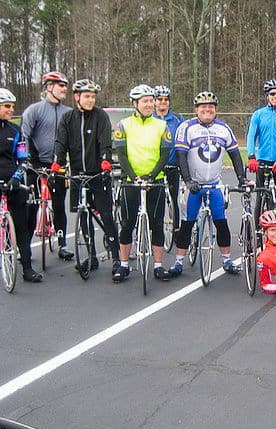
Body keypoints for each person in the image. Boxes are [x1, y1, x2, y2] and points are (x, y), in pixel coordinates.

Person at [169, 91, 246, 276]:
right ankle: (178, 262)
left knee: (221, 222)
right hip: (194, 185)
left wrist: (242, 178)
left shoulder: (223, 128)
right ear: (196, 109)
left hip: (214, 183)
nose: (207, 110)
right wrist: (187, 180)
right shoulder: (186, 127)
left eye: (211, 107)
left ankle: (226, 261)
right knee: (187, 223)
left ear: (215, 110)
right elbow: (180, 155)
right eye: (203, 107)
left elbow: (235, 154)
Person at [52, 79, 120, 271]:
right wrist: (57, 163)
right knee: (84, 216)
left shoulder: (100, 116)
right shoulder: (67, 119)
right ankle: (91, 257)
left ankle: (116, 257)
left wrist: (106, 162)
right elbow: (60, 143)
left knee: (106, 215)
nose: (90, 100)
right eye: (87, 96)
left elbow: (105, 142)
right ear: (77, 97)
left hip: (98, 174)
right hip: (77, 175)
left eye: (93, 97)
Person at [111, 84, 173, 283]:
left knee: (157, 224)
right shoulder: (123, 125)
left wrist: (153, 175)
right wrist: (134, 176)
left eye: (151, 100)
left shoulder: (162, 125)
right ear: (135, 103)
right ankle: (123, 265)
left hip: (155, 181)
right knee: (127, 224)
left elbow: (165, 154)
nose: (149, 104)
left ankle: (158, 265)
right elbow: (121, 154)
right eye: (145, 101)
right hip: (131, 181)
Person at [21, 71, 74, 261]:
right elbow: (25, 137)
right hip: (36, 163)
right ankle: (24, 248)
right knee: (32, 207)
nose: (64, 89)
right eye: (61, 85)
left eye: (65, 85)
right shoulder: (34, 110)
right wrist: (28, 159)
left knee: (59, 205)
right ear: (49, 87)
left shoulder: (68, 113)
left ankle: (63, 245)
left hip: (58, 164)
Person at [0, 88, 42, 282]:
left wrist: (16, 178)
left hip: (12, 182)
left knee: (22, 227)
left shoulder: (15, 131)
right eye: (7, 106)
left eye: (12, 106)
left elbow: (24, 159)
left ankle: (27, 268)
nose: (11, 110)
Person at [246, 79, 276, 220]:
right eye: (272, 94)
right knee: (260, 200)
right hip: (262, 161)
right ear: (267, 96)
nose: (275, 97)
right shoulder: (258, 114)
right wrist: (251, 156)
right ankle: (255, 236)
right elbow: (251, 136)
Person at [153, 85, 184, 230]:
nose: (163, 102)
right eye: (159, 99)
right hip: (154, 167)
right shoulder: (149, 118)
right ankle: (154, 229)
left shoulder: (178, 119)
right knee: (154, 201)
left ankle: (176, 230)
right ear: (154, 101)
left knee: (173, 199)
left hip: (172, 166)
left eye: (166, 100)